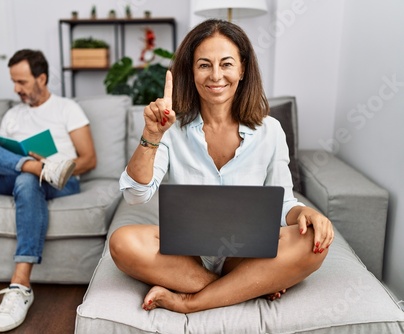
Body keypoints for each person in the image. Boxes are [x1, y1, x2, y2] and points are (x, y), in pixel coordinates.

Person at [109, 19, 334, 314]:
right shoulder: (171, 129)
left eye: (226, 64)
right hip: (184, 253)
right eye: (204, 65)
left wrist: (304, 212)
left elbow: (283, 205)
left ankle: (191, 301)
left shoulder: (271, 130)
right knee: (122, 242)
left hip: (245, 252)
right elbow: (136, 195)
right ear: (191, 71)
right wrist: (151, 135)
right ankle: (243, 285)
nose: (216, 75)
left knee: (311, 244)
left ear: (242, 69)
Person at [0, 49, 96, 332]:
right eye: (13, 82)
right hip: (23, 174)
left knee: (25, 180)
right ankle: (34, 167)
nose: (16, 89)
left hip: (61, 179)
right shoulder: (12, 116)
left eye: (21, 82)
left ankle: (20, 286)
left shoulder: (67, 108)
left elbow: (88, 159)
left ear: (42, 78)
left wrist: (52, 166)